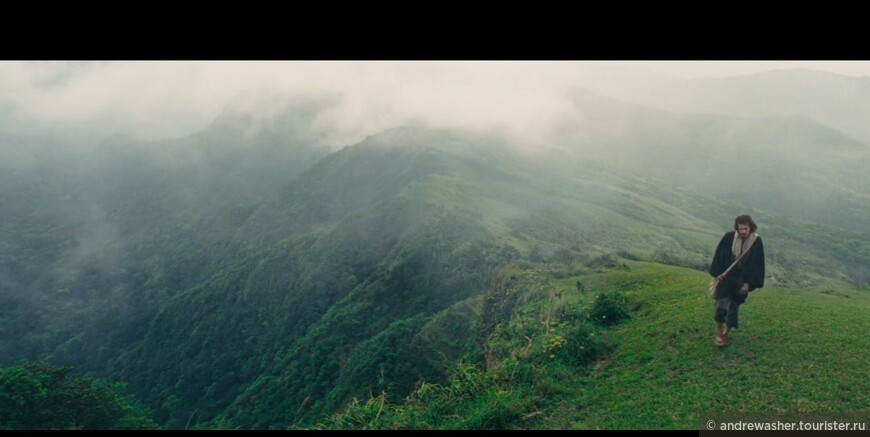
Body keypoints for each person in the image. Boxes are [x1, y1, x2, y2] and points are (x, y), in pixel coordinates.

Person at [708, 214, 765, 347]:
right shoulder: (729, 238)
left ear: (751, 227)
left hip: (742, 281)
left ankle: (727, 334)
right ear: (737, 228)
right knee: (720, 307)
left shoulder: (756, 241)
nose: (743, 232)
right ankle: (718, 332)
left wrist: (748, 284)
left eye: (746, 229)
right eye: (741, 229)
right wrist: (718, 273)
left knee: (734, 308)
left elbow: (757, 264)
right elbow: (719, 256)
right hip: (726, 278)